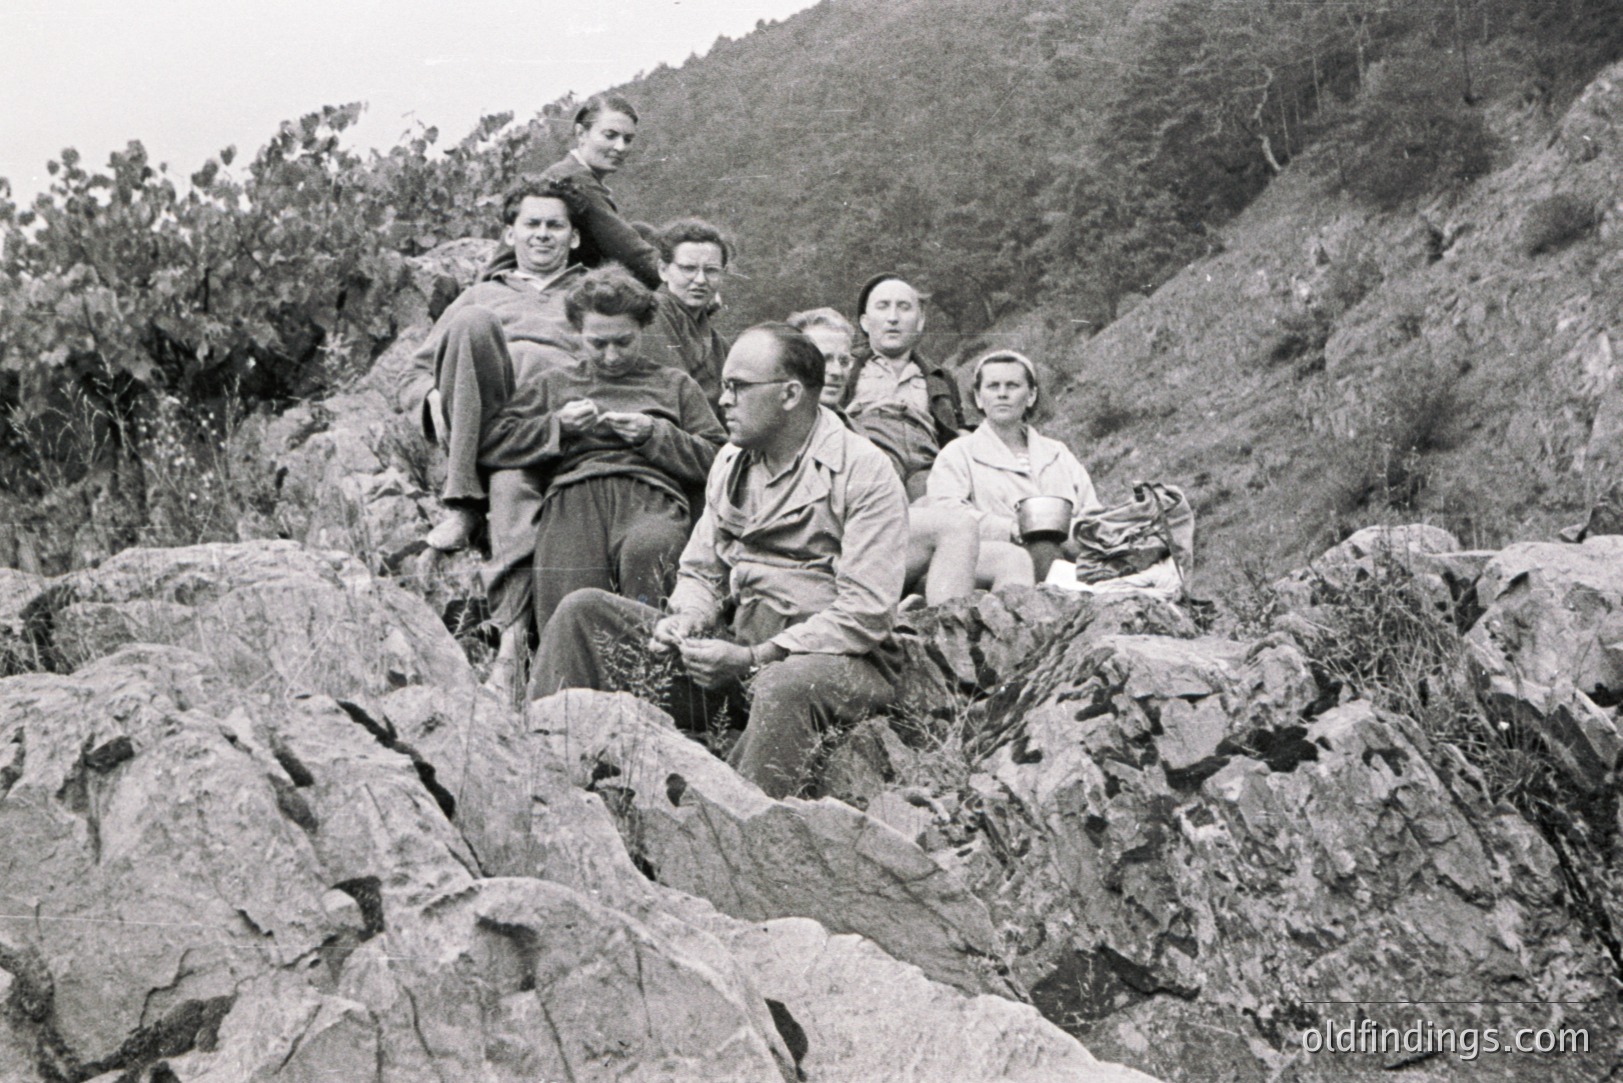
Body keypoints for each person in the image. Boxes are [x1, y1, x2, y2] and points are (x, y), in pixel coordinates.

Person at [529, 323, 907, 798]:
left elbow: (865, 613)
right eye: (725, 386)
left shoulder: (864, 471)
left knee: (785, 684)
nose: (724, 400)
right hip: (741, 648)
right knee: (583, 613)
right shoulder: (731, 460)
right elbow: (702, 570)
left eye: (738, 387)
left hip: (836, 663)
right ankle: (535, 782)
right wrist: (687, 618)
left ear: (790, 394)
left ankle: (729, 824)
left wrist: (755, 660)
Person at [479, 267, 726, 687]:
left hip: (652, 499)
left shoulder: (674, 384)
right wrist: (557, 426)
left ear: (642, 329)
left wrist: (655, 435)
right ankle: (564, 709)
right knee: (570, 606)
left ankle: (657, 696)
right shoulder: (554, 384)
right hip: (573, 500)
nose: (611, 356)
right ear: (577, 332)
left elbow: (722, 459)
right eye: (597, 343)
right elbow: (493, 442)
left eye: (623, 342)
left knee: (652, 554)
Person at [397, 178, 588, 670]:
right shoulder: (481, 293)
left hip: (554, 427)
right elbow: (413, 375)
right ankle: (463, 501)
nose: (542, 234)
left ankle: (511, 646)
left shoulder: (591, 293)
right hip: (492, 417)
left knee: (510, 485)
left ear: (574, 238)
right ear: (509, 234)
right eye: (531, 224)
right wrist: (431, 396)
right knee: (473, 323)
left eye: (554, 226)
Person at [789, 306, 977, 606]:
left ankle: (923, 621)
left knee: (990, 549)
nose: (836, 372)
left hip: (858, 553)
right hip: (809, 569)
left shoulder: (852, 433)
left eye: (843, 361)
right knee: (955, 526)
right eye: (823, 359)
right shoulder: (782, 429)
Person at [927, 349, 1103, 590]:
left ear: (1031, 396)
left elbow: (1091, 510)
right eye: (993, 386)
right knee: (1042, 550)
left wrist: (1076, 531)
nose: (1002, 394)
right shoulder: (958, 454)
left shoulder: (1057, 452)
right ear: (978, 397)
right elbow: (947, 514)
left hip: (1073, 554)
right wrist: (1010, 529)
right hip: (999, 559)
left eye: (1012, 385)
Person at [487, 95, 662, 289]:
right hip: (514, 288)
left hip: (543, 280)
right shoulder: (574, 179)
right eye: (610, 135)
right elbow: (632, 253)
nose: (620, 147)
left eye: (627, 139)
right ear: (581, 134)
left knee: (641, 231)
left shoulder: (574, 173)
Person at [845, 273, 967, 501]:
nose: (893, 318)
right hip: (870, 465)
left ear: (920, 321)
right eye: (883, 306)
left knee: (937, 501)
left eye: (904, 307)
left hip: (927, 465)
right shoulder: (846, 370)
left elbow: (956, 432)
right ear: (864, 322)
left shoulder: (940, 377)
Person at [640, 218, 732, 412]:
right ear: (663, 270)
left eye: (711, 270)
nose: (700, 280)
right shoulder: (653, 313)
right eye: (688, 269)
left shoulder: (718, 343)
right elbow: (675, 394)